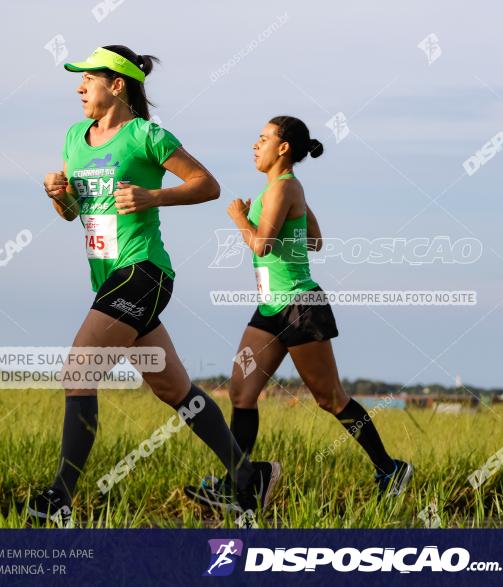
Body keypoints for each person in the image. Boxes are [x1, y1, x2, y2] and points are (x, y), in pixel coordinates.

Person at [28, 45, 280, 525]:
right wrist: (58, 197)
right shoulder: (73, 138)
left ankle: (58, 500)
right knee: (174, 389)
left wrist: (152, 196)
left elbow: (208, 184)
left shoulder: (146, 135)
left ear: (117, 85)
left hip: (143, 272)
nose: (79, 87)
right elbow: (75, 213)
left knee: (78, 373)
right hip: (107, 280)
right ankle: (250, 479)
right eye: (78, 80)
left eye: (88, 78)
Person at [187, 116, 411, 506]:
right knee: (242, 392)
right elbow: (316, 240)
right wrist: (297, 207)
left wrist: (239, 218)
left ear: (284, 147)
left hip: (300, 307)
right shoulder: (281, 190)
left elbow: (261, 246)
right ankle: (239, 484)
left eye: (262, 138)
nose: (255, 145)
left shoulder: (282, 189)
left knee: (331, 399)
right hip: (271, 308)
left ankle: (390, 469)